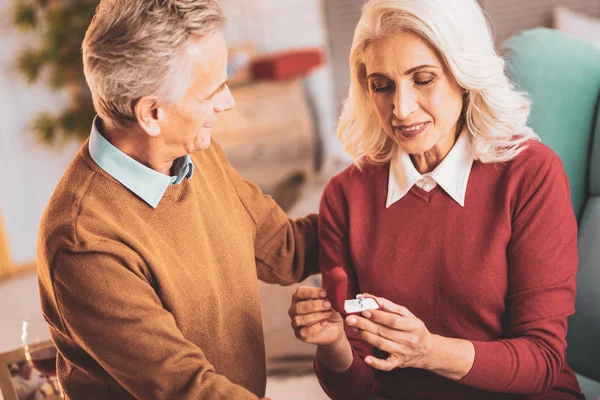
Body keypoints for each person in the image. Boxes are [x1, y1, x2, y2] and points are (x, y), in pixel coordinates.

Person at [288, 0, 584, 398]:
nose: (401, 108)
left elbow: (543, 361)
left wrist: (428, 351)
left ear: (464, 75)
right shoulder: (346, 195)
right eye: (382, 85)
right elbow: (355, 389)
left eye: (423, 79)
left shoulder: (530, 174)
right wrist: (333, 343)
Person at [37, 1, 319, 399]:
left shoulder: (197, 155)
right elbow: (190, 391)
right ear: (152, 114)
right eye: (212, 90)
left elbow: (285, 249)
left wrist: (383, 199)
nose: (227, 103)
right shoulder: (83, 242)